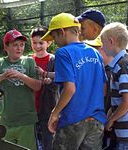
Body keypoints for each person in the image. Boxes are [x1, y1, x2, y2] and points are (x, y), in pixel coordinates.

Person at [41, 12, 107, 149]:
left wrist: (55, 113)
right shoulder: (95, 53)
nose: (55, 42)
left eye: (54, 37)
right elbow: (103, 88)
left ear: (61, 32)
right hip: (97, 120)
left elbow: (70, 88)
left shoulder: (63, 53)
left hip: (73, 119)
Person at [0, 29, 42, 150]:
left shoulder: (30, 61)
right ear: (6, 47)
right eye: (15, 45)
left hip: (27, 120)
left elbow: (38, 86)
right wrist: (2, 76)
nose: (19, 48)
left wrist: (21, 76)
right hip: (6, 119)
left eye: (21, 45)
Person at [100, 22, 128, 150]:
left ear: (111, 41)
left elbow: (127, 102)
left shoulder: (123, 66)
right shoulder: (118, 64)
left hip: (126, 133)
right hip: (120, 131)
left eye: (103, 42)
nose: (102, 46)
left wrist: (112, 119)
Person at [84, 37, 116, 149]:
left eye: (95, 49)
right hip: (97, 122)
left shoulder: (115, 70)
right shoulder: (95, 70)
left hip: (113, 124)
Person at [30, 26, 58, 150]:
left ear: (49, 42)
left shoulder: (54, 60)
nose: (37, 46)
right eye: (34, 43)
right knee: (33, 139)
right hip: (31, 106)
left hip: (48, 106)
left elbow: (62, 80)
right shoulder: (28, 60)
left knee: (48, 139)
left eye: (41, 43)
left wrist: (49, 81)